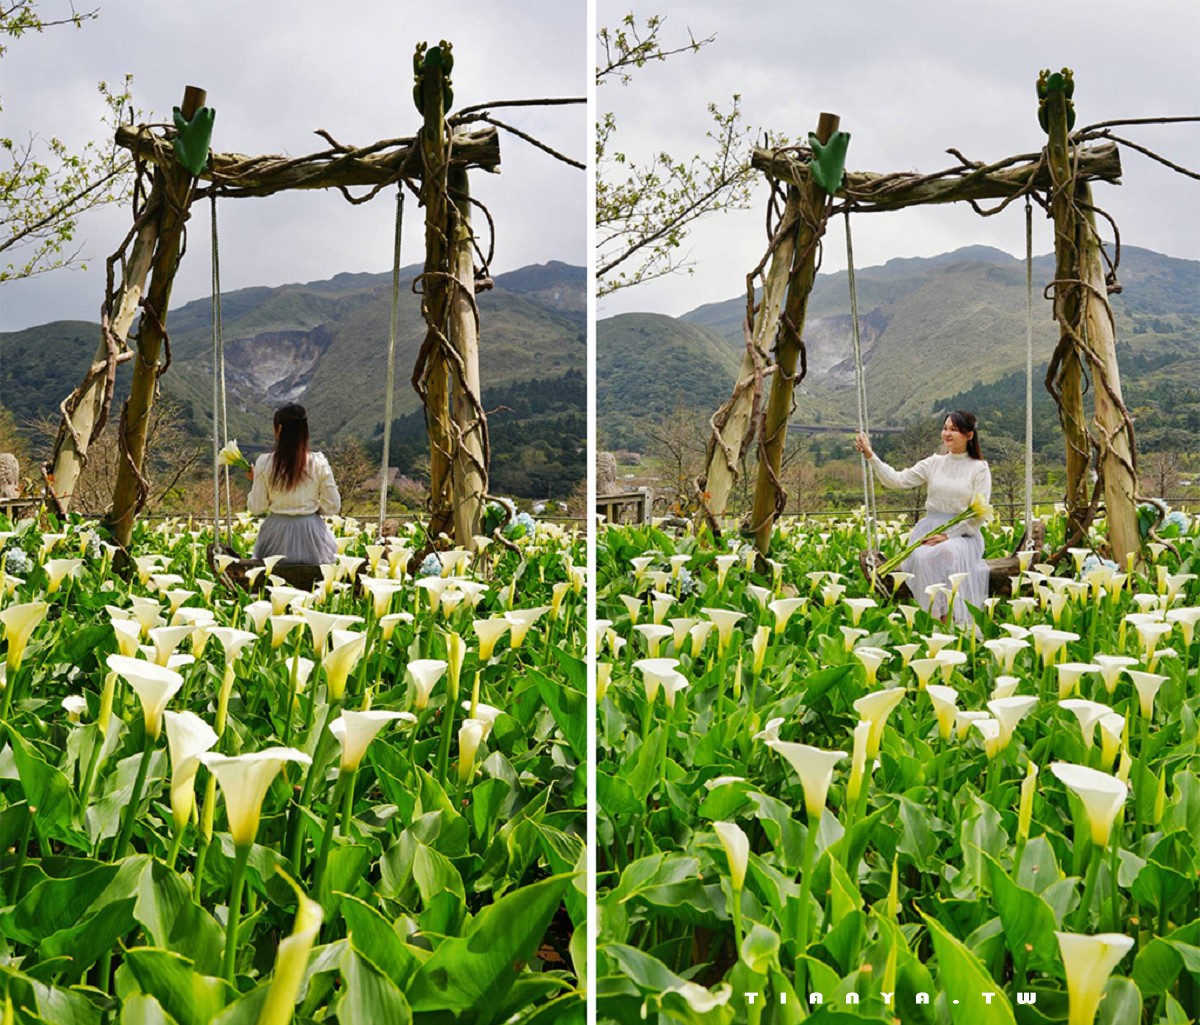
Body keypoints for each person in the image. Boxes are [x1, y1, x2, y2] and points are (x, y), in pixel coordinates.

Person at [855, 411, 991, 626]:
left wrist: (949, 535)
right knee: (920, 557)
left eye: (954, 430)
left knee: (948, 552)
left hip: (962, 535)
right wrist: (871, 456)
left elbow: (979, 513)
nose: (947, 433)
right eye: (945, 428)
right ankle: (934, 620)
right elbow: (896, 480)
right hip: (930, 531)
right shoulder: (934, 463)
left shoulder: (979, 468)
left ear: (969, 435)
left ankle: (952, 620)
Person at [247, 403, 340, 564]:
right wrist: (309, 510)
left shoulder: (264, 463)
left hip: (275, 537)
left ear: (279, 429)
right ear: (304, 430)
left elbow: (256, 507)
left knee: (271, 574)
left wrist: (258, 480)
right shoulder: (319, 462)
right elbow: (333, 506)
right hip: (313, 539)